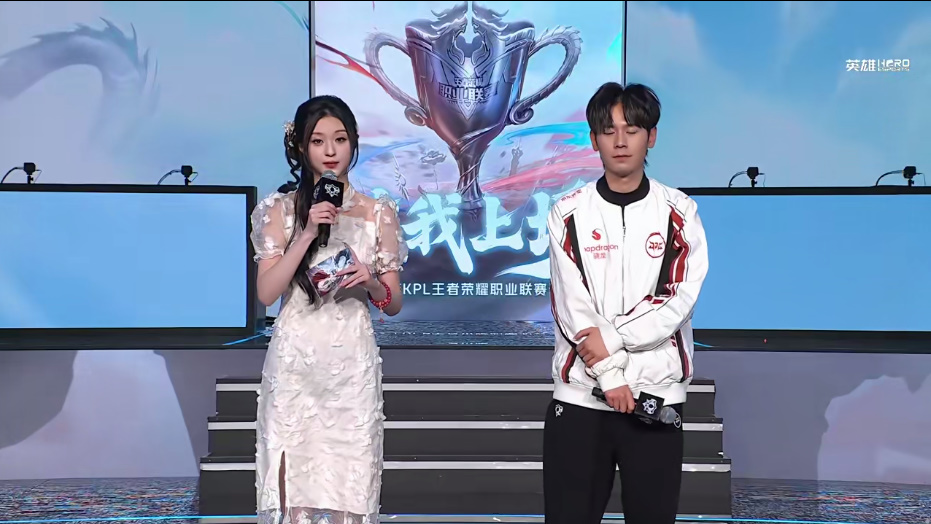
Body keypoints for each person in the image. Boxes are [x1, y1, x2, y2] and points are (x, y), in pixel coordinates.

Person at [543, 82, 709, 524]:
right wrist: (611, 377)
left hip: (656, 398)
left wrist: (613, 338)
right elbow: (571, 304)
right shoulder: (567, 213)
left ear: (651, 137)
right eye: (609, 130)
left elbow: (678, 297)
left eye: (632, 130)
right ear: (593, 139)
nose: (620, 141)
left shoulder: (679, 212)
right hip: (581, 400)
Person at [249, 95, 408, 524]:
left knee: (350, 492)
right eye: (318, 141)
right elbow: (267, 293)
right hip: (295, 365)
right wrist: (305, 234)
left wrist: (370, 280)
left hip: (351, 367)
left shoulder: (378, 213)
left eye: (340, 139)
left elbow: (392, 303)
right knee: (293, 496)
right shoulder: (277, 210)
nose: (331, 151)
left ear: (354, 142)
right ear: (302, 147)